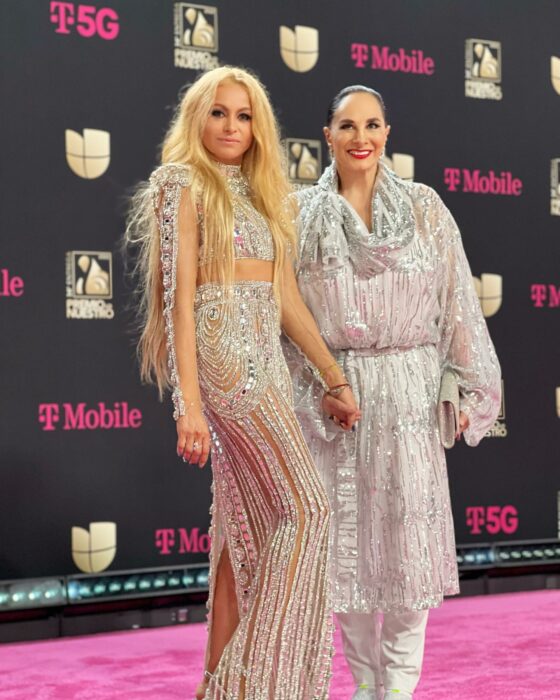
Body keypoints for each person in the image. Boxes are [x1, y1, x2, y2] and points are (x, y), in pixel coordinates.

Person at [126, 67, 360, 700]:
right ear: (196, 119)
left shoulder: (263, 192)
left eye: (244, 115)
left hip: (270, 367)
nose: (231, 126)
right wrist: (189, 406)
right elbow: (178, 300)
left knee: (242, 535)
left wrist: (332, 376)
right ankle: (249, 684)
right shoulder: (180, 183)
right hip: (227, 365)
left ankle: (215, 682)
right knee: (308, 510)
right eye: (219, 113)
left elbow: (283, 297)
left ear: (260, 126)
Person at [286, 85, 501, 700]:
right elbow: (287, 316)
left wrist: (464, 387)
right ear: (326, 134)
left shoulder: (426, 208)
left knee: (410, 545)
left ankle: (400, 690)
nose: (361, 138)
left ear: (388, 132)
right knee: (344, 549)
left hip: (409, 392)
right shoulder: (299, 214)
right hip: (336, 397)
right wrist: (319, 386)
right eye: (347, 125)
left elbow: (457, 303)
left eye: (372, 124)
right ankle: (362, 686)